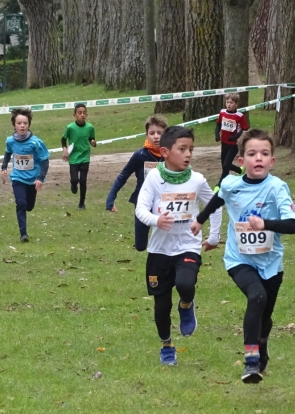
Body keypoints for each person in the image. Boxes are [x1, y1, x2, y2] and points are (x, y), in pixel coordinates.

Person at [191, 129, 295, 384]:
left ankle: (261, 343)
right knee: (256, 296)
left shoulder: (277, 187)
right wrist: (199, 220)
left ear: (272, 161)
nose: (258, 158)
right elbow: (217, 201)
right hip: (239, 259)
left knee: (265, 315)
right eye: (252, 154)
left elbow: (293, 225)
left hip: (271, 263)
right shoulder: (231, 184)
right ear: (242, 161)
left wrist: (266, 224)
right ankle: (251, 361)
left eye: (264, 154)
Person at [135, 126, 222, 366]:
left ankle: (186, 304)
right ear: (164, 152)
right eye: (182, 149)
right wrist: (156, 220)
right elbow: (140, 209)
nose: (188, 155)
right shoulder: (154, 177)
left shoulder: (197, 180)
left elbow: (214, 203)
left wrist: (213, 236)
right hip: (159, 251)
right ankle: (167, 345)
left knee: (185, 283)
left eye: (191, 149)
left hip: (187, 246)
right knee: (161, 305)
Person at [106, 115, 168, 251]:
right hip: (143, 202)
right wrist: (111, 198)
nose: (156, 137)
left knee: (164, 244)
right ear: (146, 135)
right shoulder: (140, 155)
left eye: (159, 133)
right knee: (140, 246)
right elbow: (123, 175)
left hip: (164, 201)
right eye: (152, 133)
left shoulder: (170, 155)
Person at [0, 107, 50, 243]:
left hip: (33, 180)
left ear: (29, 125)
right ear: (14, 125)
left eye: (25, 123)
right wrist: (4, 167)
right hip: (17, 178)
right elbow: (8, 152)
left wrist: (40, 178)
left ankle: (28, 205)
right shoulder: (10, 141)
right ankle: (23, 234)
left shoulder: (36, 143)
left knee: (29, 206)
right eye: (19, 123)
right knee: (21, 203)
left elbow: (45, 161)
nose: (22, 126)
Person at [61, 103, 96, 210]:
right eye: (79, 113)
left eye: (84, 113)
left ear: (87, 115)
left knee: (83, 180)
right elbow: (63, 139)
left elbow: (91, 139)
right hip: (74, 158)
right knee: (75, 179)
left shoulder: (90, 127)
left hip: (85, 156)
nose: (82, 115)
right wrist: (65, 150)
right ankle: (73, 184)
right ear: (74, 115)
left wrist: (93, 142)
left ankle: (82, 203)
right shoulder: (70, 127)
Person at [215, 93, 249, 186]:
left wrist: (235, 137)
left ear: (236, 104)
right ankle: (239, 170)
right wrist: (217, 133)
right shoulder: (222, 112)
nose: (229, 104)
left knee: (226, 165)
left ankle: (219, 186)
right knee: (224, 166)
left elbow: (245, 128)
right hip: (224, 143)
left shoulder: (239, 116)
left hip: (234, 144)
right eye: (227, 102)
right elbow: (218, 124)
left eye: (231, 102)